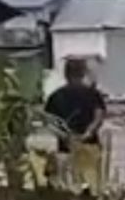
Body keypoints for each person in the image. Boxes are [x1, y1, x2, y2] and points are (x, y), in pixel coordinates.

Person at [44, 58, 106, 192]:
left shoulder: (56, 96)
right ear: (83, 73)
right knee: (92, 183)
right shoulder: (93, 94)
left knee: (67, 184)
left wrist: (66, 136)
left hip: (65, 148)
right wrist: (88, 132)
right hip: (90, 145)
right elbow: (99, 116)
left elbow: (49, 121)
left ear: (65, 74)